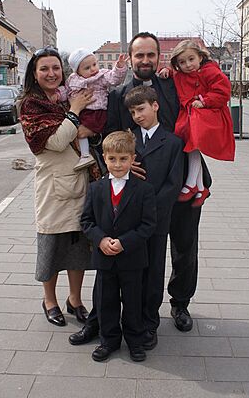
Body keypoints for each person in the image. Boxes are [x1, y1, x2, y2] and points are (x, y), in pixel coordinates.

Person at [68, 32, 212, 347]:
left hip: (181, 178)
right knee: (139, 256)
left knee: (185, 248)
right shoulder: (119, 93)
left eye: (151, 55)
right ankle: (118, 317)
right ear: (130, 59)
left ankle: (180, 302)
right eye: (139, 56)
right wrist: (117, 166)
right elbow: (111, 136)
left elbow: (204, 79)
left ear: (159, 57)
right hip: (136, 190)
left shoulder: (173, 84)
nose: (145, 60)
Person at [18, 47, 94, 327]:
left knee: (78, 246)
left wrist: (84, 122)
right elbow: (57, 141)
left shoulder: (66, 97)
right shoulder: (31, 105)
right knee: (51, 246)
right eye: (44, 69)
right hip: (53, 188)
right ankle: (49, 300)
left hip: (82, 182)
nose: (51, 74)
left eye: (56, 68)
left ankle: (75, 300)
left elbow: (93, 127)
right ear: (35, 75)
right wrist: (75, 112)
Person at [81, 131, 157, 362]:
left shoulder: (144, 189)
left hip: (132, 259)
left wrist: (124, 242)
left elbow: (148, 225)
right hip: (105, 259)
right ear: (104, 158)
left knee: (133, 302)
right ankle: (109, 340)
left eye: (123, 159)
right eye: (112, 159)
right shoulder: (96, 188)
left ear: (133, 158)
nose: (118, 164)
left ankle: (135, 340)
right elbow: (86, 221)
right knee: (106, 301)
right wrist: (101, 239)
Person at [124, 85, 184, 348]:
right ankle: (131, 320)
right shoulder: (128, 140)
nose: (138, 115)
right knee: (132, 272)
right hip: (129, 222)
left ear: (155, 106)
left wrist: (151, 213)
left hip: (157, 221)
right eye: (133, 111)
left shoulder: (172, 142)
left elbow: (173, 184)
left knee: (154, 271)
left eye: (142, 109)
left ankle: (150, 323)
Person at [160, 40, 235, 207]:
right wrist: (166, 70)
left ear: (200, 57)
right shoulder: (181, 74)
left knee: (192, 142)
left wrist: (205, 101)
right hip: (191, 114)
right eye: (182, 62)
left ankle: (191, 184)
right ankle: (200, 187)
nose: (187, 65)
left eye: (191, 59)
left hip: (208, 113)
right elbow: (174, 74)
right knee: (188, 142)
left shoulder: (210, 71)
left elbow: (223, 91)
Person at [61, 48, 128, 170]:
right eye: (87, 68)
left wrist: (119, 67)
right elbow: (66, 91)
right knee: (77, 131)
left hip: (97, 111)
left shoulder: (101, 75)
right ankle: (86, 155)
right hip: (82, 111)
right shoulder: (73, 79)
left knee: (81, 133)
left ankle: (85, 155)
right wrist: (57, 94)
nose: (92, 69)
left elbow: (115, 79)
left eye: (94, 64)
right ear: (78, 71)